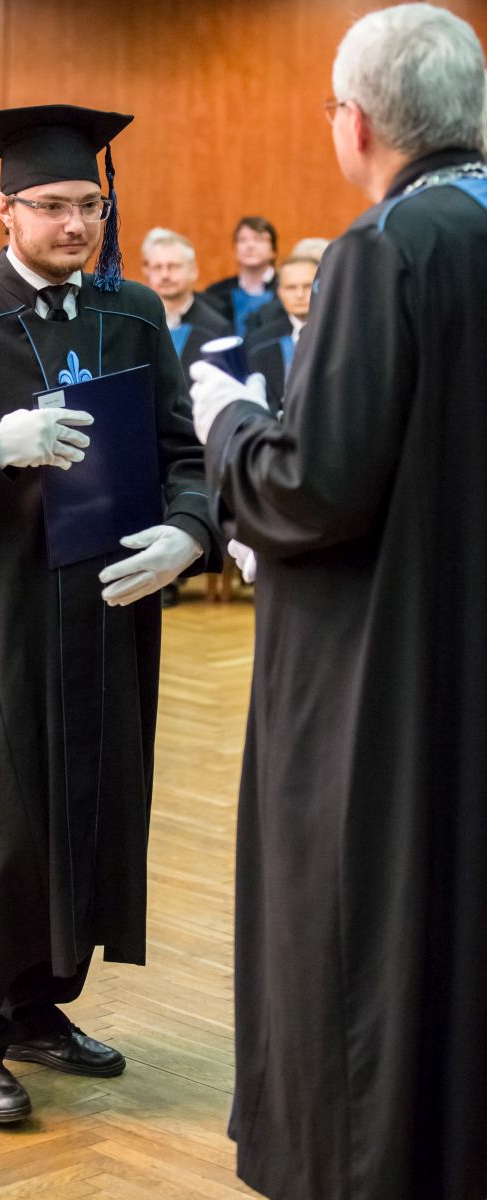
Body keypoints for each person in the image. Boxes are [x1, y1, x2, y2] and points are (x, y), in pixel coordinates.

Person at [0, 104, 216, 1126]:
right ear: (4, 209)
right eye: (53, 206)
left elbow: (181, 451)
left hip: (100, 609)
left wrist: (190, 530)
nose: (76, 225)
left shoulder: (132, 314)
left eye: (90, 206)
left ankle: (34, 1006)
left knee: (81, 812)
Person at [191, 6, 487, 1200]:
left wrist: (224, 422)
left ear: (353, 123)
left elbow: (310, 484)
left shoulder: (384, 247)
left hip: (386, 666)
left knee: (360, 918)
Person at [140, 226, 231, 378]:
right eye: (157, 267)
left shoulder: (217, 328)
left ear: (193, 271)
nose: (165, 275)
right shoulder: (137, 324)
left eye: (173, 266)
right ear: (147, 272)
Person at [244, 255, 319, 414]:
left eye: (308, 286)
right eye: (291, 288)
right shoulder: (259, 344)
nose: (300, 294)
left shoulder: (344, 337)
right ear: (280, 292)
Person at [202, 215, 278, 335]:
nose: (250, 245)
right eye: (243, 240)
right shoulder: (216, 293)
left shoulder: (289, 289)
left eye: (258, 239)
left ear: (273, 250)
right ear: (235, 250)